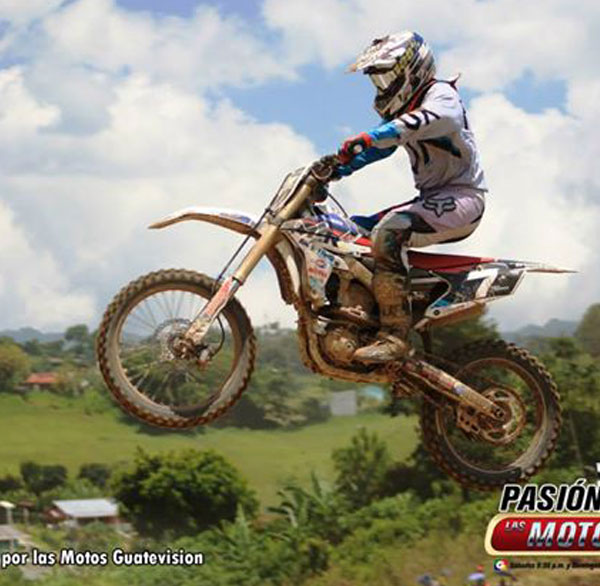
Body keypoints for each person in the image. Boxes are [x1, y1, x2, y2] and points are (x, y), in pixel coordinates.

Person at [334, 31, 487, 363]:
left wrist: (373, 135)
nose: (383, 87)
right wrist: (336, 168)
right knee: (349, 231)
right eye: (378, 81)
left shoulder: (441, 94)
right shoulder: (406, 111)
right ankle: (365, 314)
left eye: (387, 77)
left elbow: (432, 120)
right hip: (432, 198)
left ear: (412, 68)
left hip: (462, 197)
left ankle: (395, 335)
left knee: (389, 232)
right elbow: (381, 147)